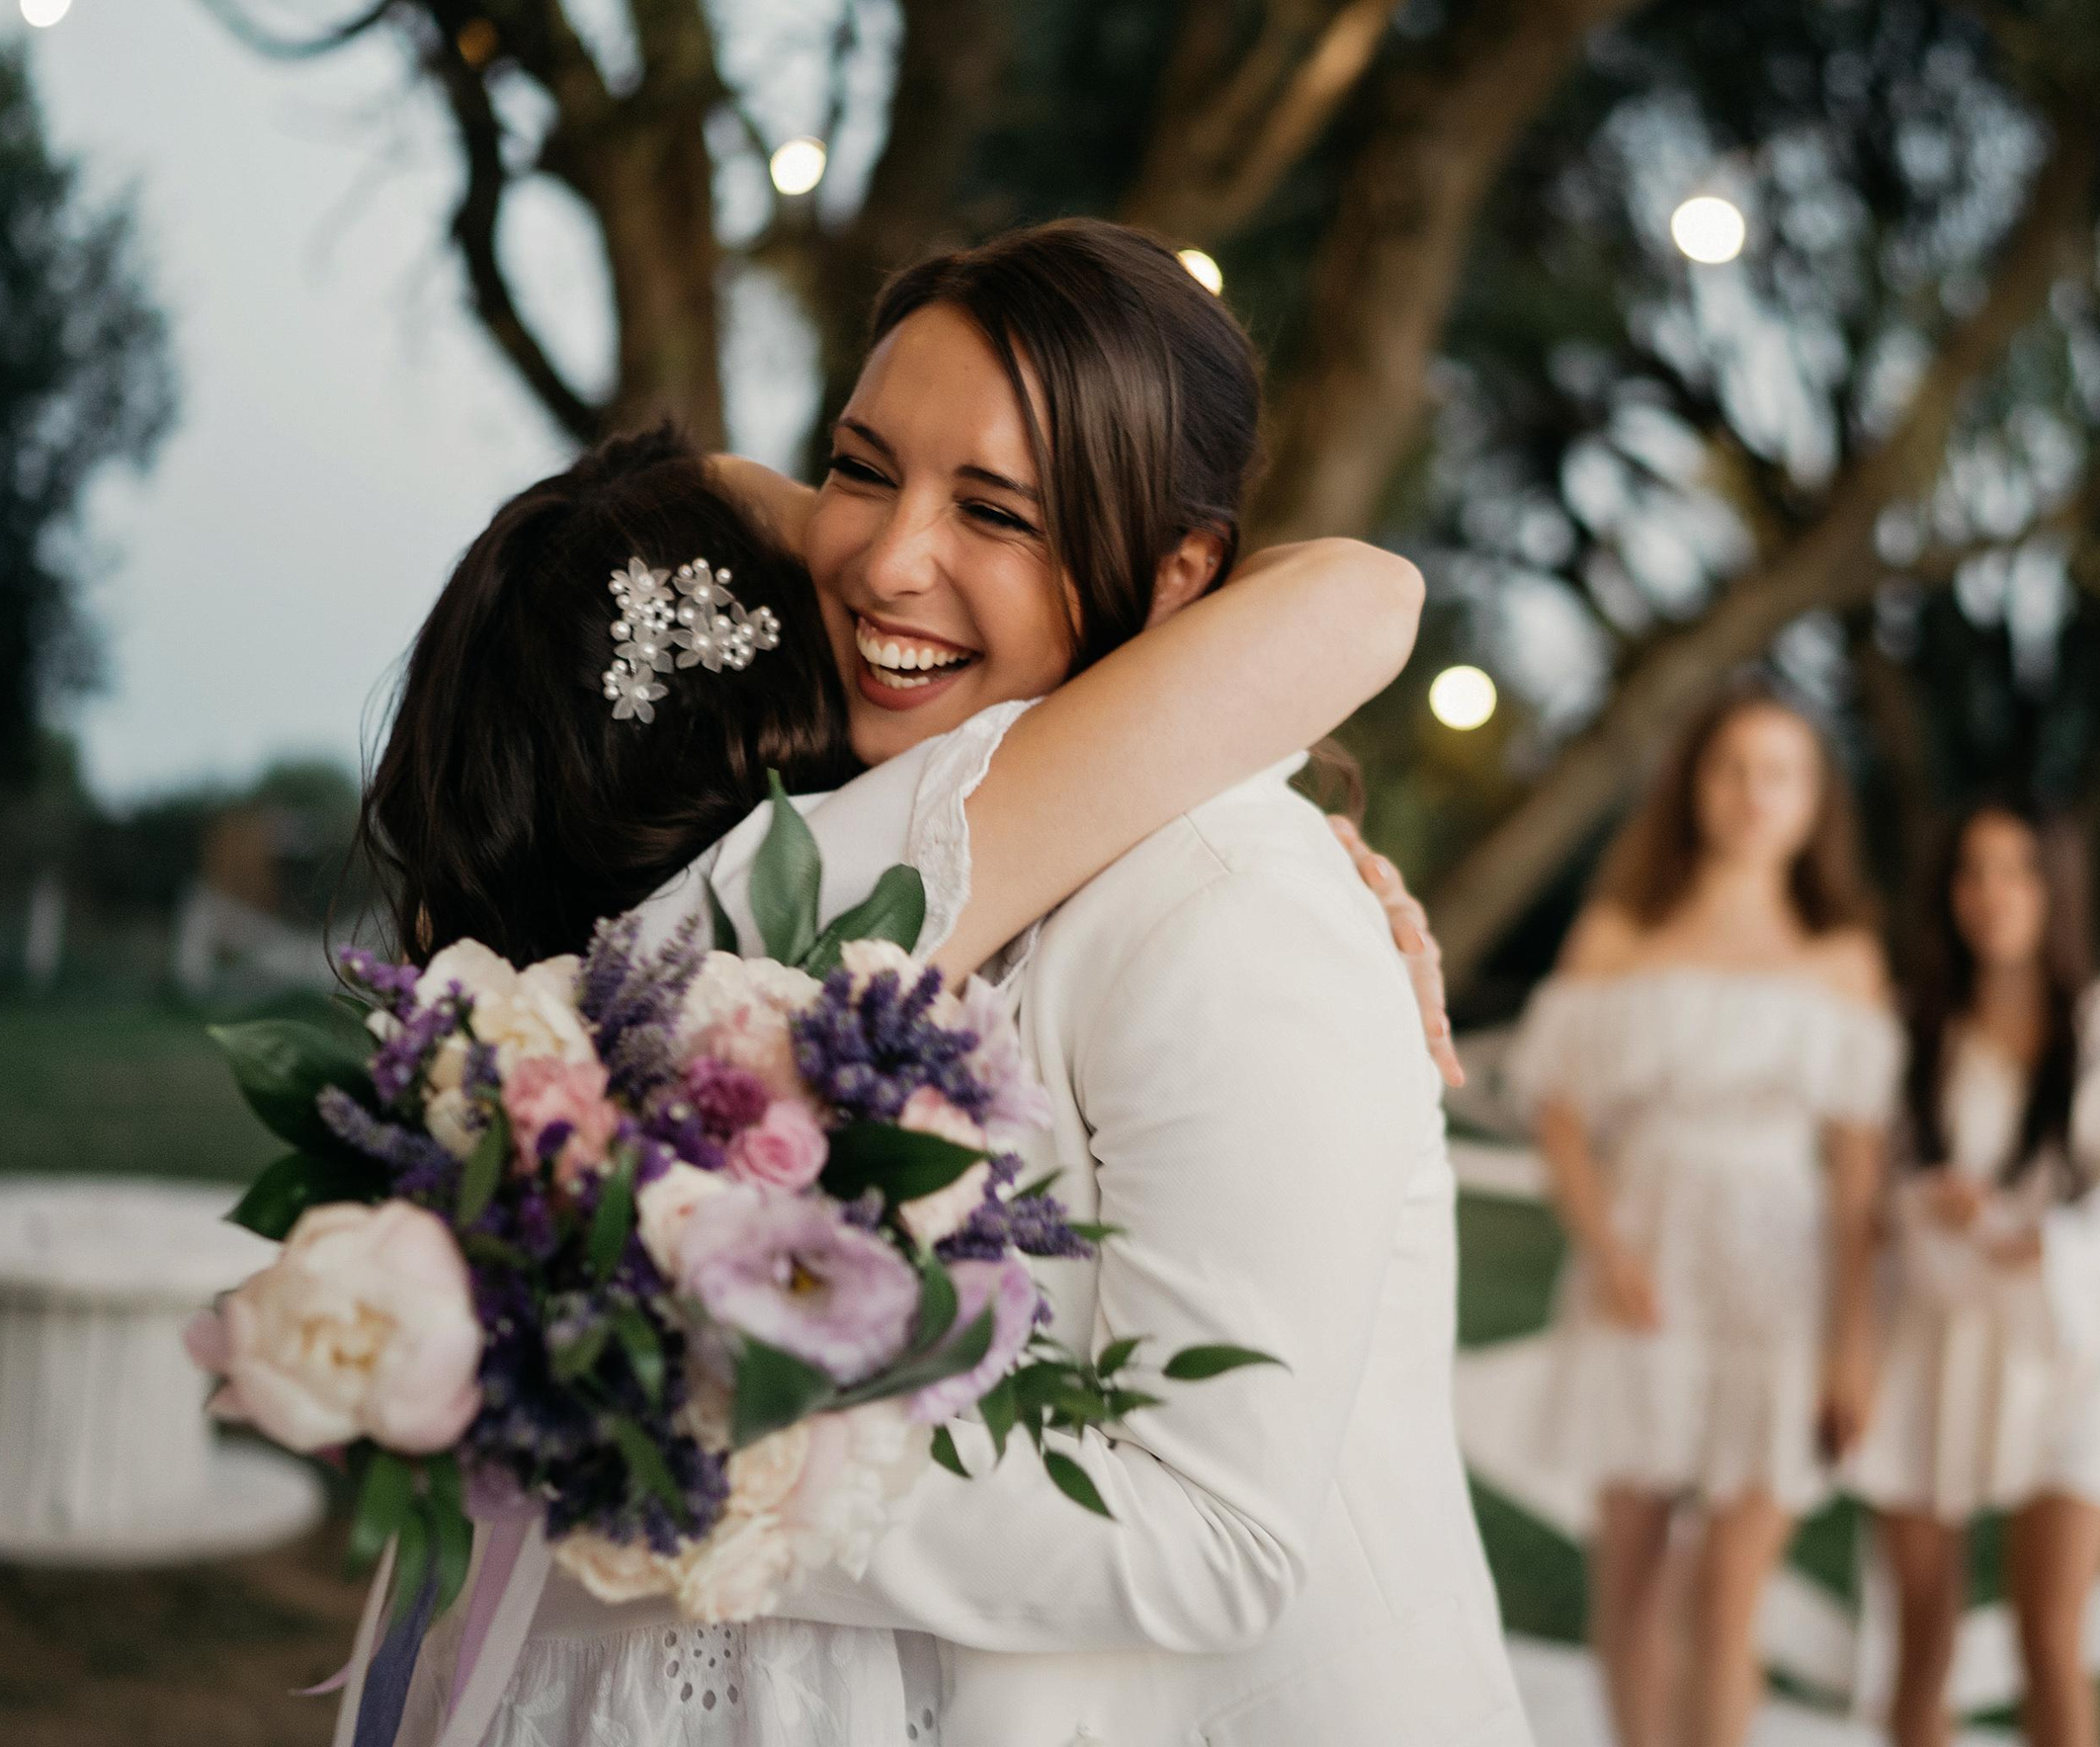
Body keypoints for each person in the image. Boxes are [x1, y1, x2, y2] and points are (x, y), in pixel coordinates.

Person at [345, 219, 1515, 1747]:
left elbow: (1217, 1531)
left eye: (1000, 510)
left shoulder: (1233, 905)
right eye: (859, 465)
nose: (892, 560)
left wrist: (700, 1465)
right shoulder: (865, 847)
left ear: (1179, 578)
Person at [1509, 679, 1899, 1747]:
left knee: (1731, 1593)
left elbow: (1860, 1171)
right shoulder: (1619, 935)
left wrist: (1851, 1345)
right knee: (1629, 1576)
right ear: (1694, 785)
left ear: (1814, 799)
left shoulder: (1842, 958)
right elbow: (1556, 1112)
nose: (1751, 793)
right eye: (1730, 767)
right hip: (1644, 1255)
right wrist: (1604, 1247)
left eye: (1779, 771)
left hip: (1782, 1276)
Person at [1846, 804, 2100, 1747]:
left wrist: (2017, 1237)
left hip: (2069, 1349)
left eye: (2018, 872)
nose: (1992, 896)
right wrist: (1933, 1209)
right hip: (1932, 1344)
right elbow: (1873, 1192)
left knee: (2054, 1641)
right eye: (1972, 872)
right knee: (1920, 1646)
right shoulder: (1914, 1025)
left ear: (2059, 889)